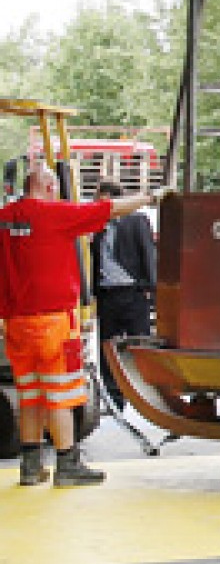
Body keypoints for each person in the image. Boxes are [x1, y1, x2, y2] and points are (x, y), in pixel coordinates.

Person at [1, 161, 158, 485]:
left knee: (29, 396)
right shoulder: (55, 215)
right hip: (54, 323)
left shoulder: (5, 219)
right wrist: (149, 197)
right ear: (48, 187)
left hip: (16, 323)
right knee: (60, 396)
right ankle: (67, 463)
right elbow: (110, 208)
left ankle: (30, 466)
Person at [91, 176, 157, 399]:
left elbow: (148, 253)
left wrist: (151, 287)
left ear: (109, 199)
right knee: (107, 346)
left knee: (140, 344)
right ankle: (113, 393)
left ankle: (148, 392)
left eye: (98, 199)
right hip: (108, 294)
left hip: (133, 292)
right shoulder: (98, 226)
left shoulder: (136, 221)